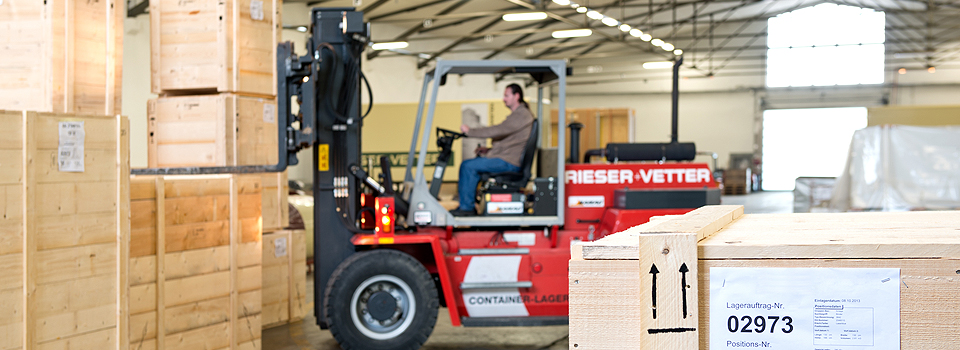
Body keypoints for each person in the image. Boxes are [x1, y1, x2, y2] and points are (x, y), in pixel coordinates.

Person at [451, 83, 534, 216]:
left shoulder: (522, 115)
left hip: (509, 162)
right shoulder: (518, 115)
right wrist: (488, 150)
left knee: (468, 166)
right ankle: (469, 204)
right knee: (473, 164)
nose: (504, 99)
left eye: (506, 95)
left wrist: (470, 132)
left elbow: (498, 130)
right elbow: (509, 141)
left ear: (516, 96)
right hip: (506, 158)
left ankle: (466, 208)